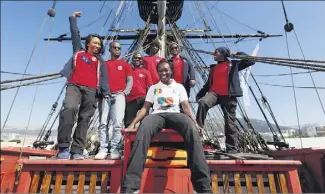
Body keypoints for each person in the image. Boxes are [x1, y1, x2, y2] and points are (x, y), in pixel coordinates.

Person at [121, 60, 212, 193]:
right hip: (157, 114)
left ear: (171, 71)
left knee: (191, 129)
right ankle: (131, 186)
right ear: (157, 72)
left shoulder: (179, 87)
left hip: (175, 114)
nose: (164, 72)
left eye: (166, 70)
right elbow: (145, 108)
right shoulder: (153, 88)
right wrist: (133, 123)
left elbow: (185, 107)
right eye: (161, 70)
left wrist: (195, 123)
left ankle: (203, 187)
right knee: (144, 126)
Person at [57, 11, 110, 160]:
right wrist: (73, 19)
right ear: (88, 43)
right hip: (74, 85)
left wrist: (106, 93)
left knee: (85, 118)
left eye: (99, 44)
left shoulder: (100, 61)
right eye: (94, 42)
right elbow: (75, 34)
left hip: (92, 90)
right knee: (69, 109)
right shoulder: (79, 52)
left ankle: (77, 150)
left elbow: (104, 78)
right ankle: (63, 147)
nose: (97, 45)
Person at [196, 47, 255, 153]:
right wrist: (199, 94)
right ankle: (198, 129)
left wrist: (237, 53)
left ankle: (231, 148)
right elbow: (207, 85)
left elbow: (251, 61)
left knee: (229, 122)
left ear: (223, 53)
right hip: (214, 94)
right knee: (203, 103)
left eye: (216, 52)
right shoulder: (213, 68)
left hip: (228, 95)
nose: (214, 53)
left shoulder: (234, 64)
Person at [95, 41, 133, 160]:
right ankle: (103, 148)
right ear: (110, 50)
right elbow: (99, 79)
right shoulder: (104, 64)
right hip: (105, 96)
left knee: (117, 123)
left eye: (119, 48)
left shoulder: (125, 65)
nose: (117, 49)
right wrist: (100, 91)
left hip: (119, 95)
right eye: (115, 48)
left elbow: (130, 80)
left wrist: (126, 91)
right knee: (103, 123)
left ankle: (114, 149)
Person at [124, 52, 153, 128]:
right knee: (128, 121)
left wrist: (150, 99)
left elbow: (150, 87)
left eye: (139, 58)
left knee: (145, 121)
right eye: (135, 57)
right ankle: (128, 139)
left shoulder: (146, 72)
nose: (137, 59)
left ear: (142, 60)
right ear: (132, 59)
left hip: (143, 98)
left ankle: (144, 138)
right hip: (131, 98)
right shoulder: (127, 70)